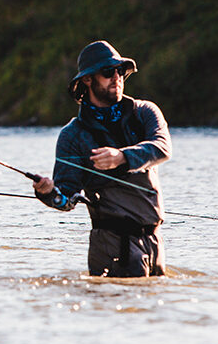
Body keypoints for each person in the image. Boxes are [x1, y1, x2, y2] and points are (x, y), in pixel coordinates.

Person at [32, 40, 172, 277]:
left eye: (120, 71)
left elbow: (162, 148)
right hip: (112, 244)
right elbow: (66, 199)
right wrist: (47, 192)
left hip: (154, 241)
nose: (116, 77)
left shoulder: (145, 112)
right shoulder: (72, 135)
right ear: (87, 80)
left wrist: (122, 157)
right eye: (108, 72)